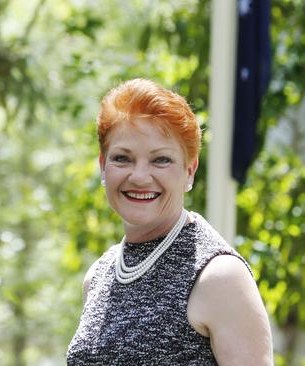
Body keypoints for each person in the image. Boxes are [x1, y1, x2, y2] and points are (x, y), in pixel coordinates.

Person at [66, 79, 273, 365]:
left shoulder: (219, 277)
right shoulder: (98, 276)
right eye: (122, 158)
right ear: (103, 166)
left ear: (189, 170)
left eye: (161, 160)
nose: (139, 176)